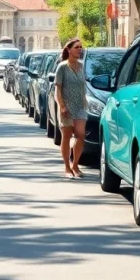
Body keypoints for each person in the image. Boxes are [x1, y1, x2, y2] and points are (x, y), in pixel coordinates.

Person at [55, 38, 87, 179]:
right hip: (66, 107)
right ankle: (67, 167)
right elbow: (58, 89)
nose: (80, 49)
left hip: (80, 106)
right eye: (77, 47)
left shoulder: (81, 66)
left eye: (81, 47)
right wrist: (61, 106)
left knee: (80, 135)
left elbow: (84, 86)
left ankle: (75, 165)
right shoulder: (62, 67)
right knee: (67, 137)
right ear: (69, 50)